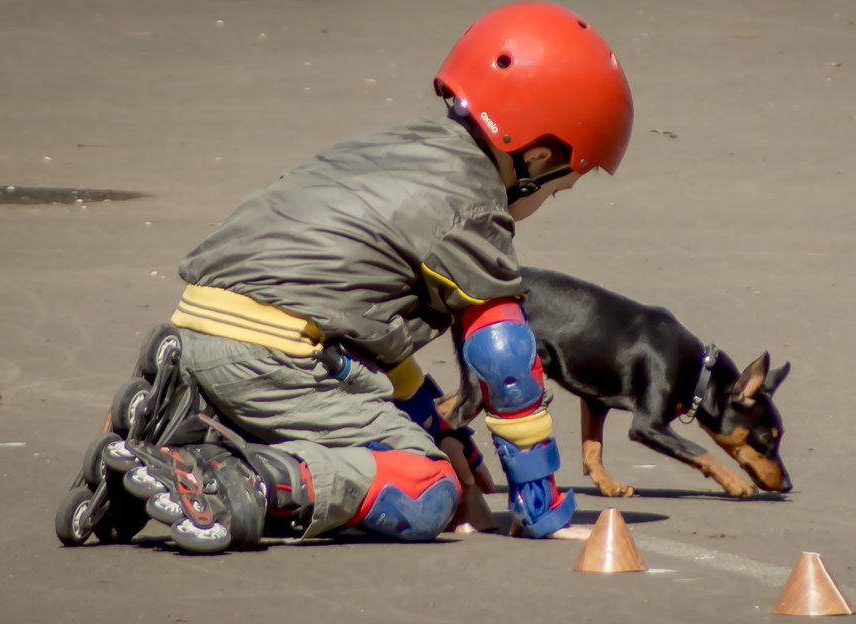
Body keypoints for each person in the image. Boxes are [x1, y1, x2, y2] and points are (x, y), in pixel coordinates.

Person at [112, 1, 633, 552]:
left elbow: (375, 356)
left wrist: (443, 433)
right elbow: (504, 363)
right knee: (424, 486)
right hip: (273, 356)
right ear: (539, 156)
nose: (552, 198)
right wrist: (538, 504)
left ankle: (182, 419)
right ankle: (232, 481)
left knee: (383, 427)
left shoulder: (391, 148)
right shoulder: (473, 205)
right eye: (562, 185)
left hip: (200, 325)